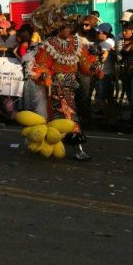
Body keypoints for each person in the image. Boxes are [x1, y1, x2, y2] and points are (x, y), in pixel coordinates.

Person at [31, 8, 99, 160]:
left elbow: (85, 64)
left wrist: (94, 67)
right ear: (57, 29)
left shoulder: (76, 43)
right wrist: (45, 75)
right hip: (55, 87)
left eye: (69, 26)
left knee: (63, 116)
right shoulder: (48, 45)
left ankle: (50, 145)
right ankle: (77, 148)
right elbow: (41, 65)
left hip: (72, 87)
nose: (69, 29)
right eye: (66, 26)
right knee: (68, 115)